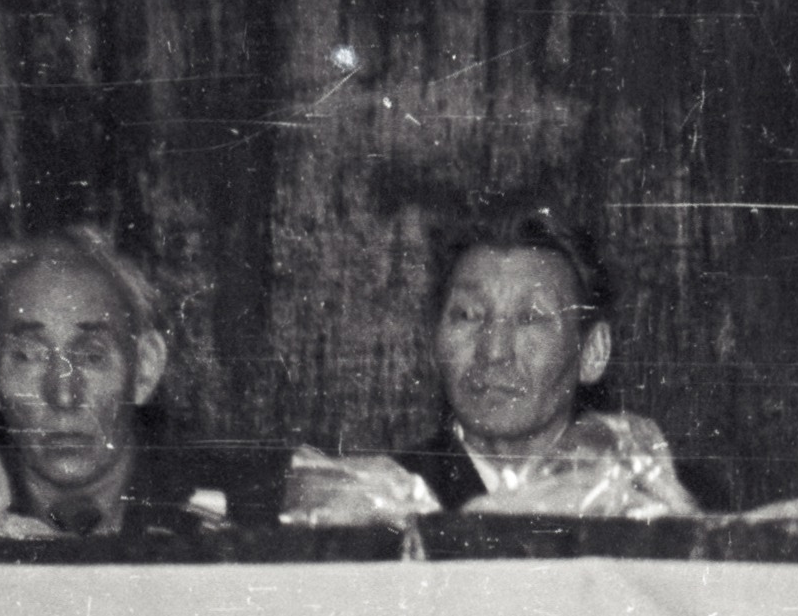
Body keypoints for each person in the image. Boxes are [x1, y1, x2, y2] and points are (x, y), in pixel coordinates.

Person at [282, 204, 708, 522]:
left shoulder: (663, 503)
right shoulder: (379, 504)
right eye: (468, 315)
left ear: (593, 352)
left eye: (531, 318)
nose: (493, 350)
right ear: (433, 340)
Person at [0, 226, 278, 540]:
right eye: (29, 356)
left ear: (144, 369)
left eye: (92, 356)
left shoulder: (245, 514)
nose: (64, 395)